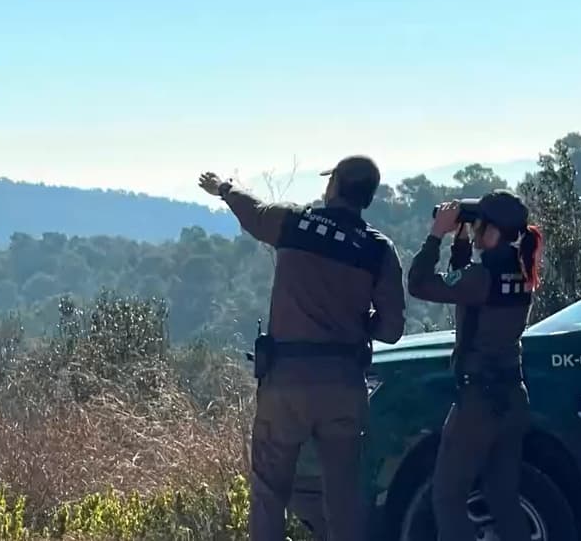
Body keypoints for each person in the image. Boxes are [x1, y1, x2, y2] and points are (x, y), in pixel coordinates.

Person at [198, 155, 406, 541]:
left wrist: (224, 188)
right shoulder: (378, 249)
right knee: (343, 496)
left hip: (286, 382)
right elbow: (393, 329)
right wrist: (360, 322)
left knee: (268, 491)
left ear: (336, 186)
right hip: (344, 385)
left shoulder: (294, 223)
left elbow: (254, 211)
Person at [407, 189, 543, 541]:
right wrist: (463, 242)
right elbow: (466, 292)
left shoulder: (481, 278)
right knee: (502, 496)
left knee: (448, 496)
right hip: (513, 396)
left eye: (480, 223)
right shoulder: (521, 270)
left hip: (478, 404)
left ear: (493, 230)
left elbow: (420, 284)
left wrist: (437, 234)